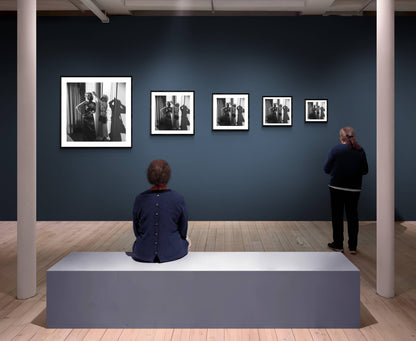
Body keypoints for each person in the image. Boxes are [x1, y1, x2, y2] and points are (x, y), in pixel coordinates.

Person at [132, 160, 189, 263]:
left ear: (149, 174)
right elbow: (183, 230)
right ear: (168, 175)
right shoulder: (178, 198)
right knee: (187, 240)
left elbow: (137, 230)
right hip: (173, 252)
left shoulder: (139, 199)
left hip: (142, 253)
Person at [324, 127, 368, 254]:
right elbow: (365, 170)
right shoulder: (360, 151)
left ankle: (338, 244)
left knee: (337, 216)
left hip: (336, 187)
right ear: (353, 137)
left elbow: (326, 169)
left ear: (340, 138)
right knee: (353, 217)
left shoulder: (335, 150)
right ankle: (353, 247)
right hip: (354, 189)